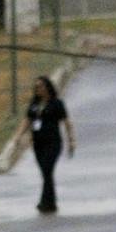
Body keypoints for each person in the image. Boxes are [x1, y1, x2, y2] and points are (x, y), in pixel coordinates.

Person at [26, 75, 75, 213]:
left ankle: (44, 202)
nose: (38, 89)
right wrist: (19, 137)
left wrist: (71, 140)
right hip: (38, 144)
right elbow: (28, 121)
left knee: (47, 169)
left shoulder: (57, 103)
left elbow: (67, 122)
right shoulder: (34, 104)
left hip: (53, 143)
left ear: (47, 87)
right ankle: (51, 203)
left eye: (40, 86)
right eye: (36, 87)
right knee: (46, 173)